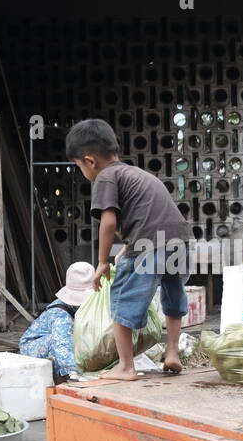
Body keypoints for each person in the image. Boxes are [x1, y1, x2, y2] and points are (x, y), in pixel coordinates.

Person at [68, 118, 192, 381]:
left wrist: (102, 262)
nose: (83, 172)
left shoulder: (105, 176)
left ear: (90, 161)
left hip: (150, 247)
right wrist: (128, 246)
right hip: (179, 240)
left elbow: (109, 221)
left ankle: (126, 367)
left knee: (122, 300)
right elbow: (149, 215)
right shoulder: (137, 173)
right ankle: (172, 352)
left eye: (79, 166)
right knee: (173, 295)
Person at [20, 261, 96, 383]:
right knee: (57, 341)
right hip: (32, 346)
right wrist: (86, 372)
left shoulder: (83, 310)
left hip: (60, 342)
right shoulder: (61, 316)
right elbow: (63, 350)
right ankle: (64, 377)